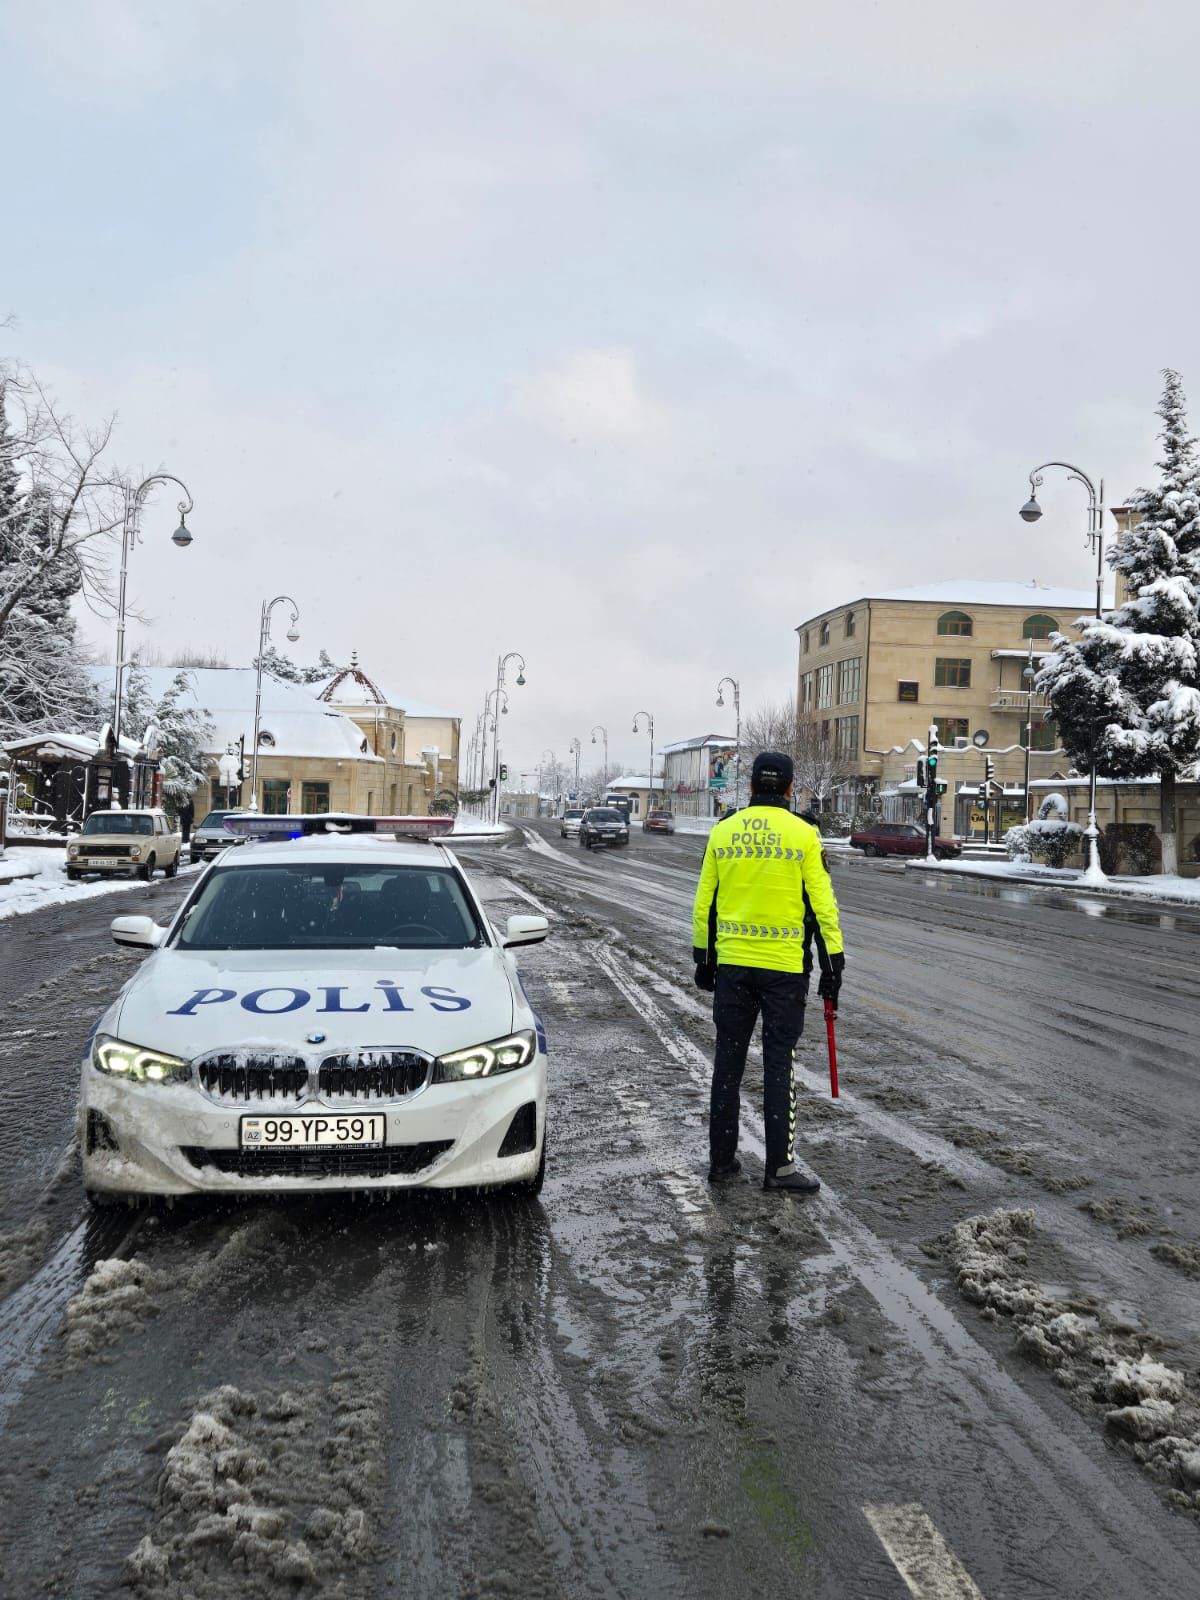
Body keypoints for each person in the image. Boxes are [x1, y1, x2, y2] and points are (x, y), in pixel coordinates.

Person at [691, 751, 845, 1193]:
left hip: (734, 969)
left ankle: (722, 1164)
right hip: (784, 972)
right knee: (779, 1065)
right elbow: (823, 908)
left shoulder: (724, 831)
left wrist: (705, 960)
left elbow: (705, 903)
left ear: (753, 787)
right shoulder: (805, 834)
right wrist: (833, 966)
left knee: (728, 1065)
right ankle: (779, 1170)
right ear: (791, 788)